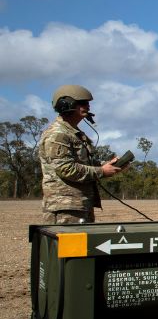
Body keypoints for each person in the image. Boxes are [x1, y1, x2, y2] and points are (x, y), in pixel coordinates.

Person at [38, 85, 126, 224]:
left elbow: (83, 163)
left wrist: (106, 166)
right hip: (66, 207)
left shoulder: (73, 133)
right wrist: (101, 171)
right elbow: (66, 169)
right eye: (83, 103)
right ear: (66, 104)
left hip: (79, 205)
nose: (88, 106)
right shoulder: (58, 134)